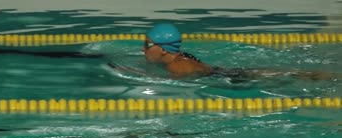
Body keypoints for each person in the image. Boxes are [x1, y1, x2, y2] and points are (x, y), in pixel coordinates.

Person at [142, 23, 338, 81]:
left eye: (147, 44)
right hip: (224, 72)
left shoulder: (179, 66)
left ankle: (323, 76)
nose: (143, 49)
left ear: (164, 50)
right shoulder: (177, 59)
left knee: (286, 76)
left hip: (231, 80)